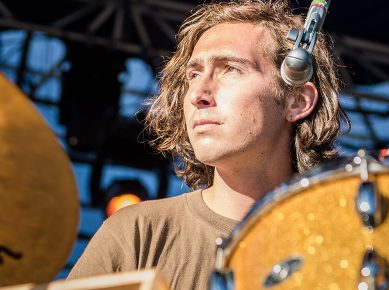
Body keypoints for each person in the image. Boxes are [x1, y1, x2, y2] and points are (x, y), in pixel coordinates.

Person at [67, 0, 349, 289]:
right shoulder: (137, 232)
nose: (197, 94)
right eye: (194, 75)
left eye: (230, 69)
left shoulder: (345, 245)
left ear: (297, 100)